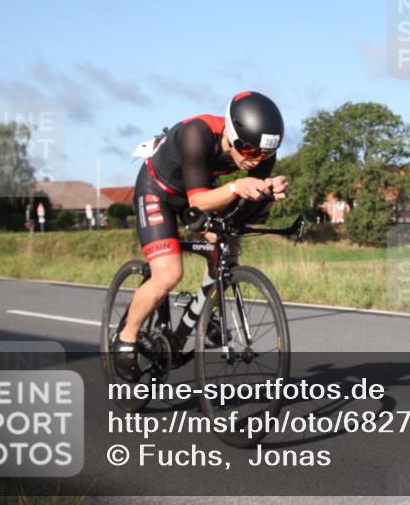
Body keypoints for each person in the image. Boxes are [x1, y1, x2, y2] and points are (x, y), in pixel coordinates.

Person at [113, 91, 289, 380]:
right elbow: (198, 202)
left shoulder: (258, 151)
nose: (255, 161)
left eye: (264, 155)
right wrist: (235, 188)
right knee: (168, 275)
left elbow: (242, 209)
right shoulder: (198, 132)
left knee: (227, 252)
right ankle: (126, 338)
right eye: (250, 152)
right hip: (159, 192)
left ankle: (204, 312)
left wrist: (269, 191)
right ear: (231, 136)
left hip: (199, 192)